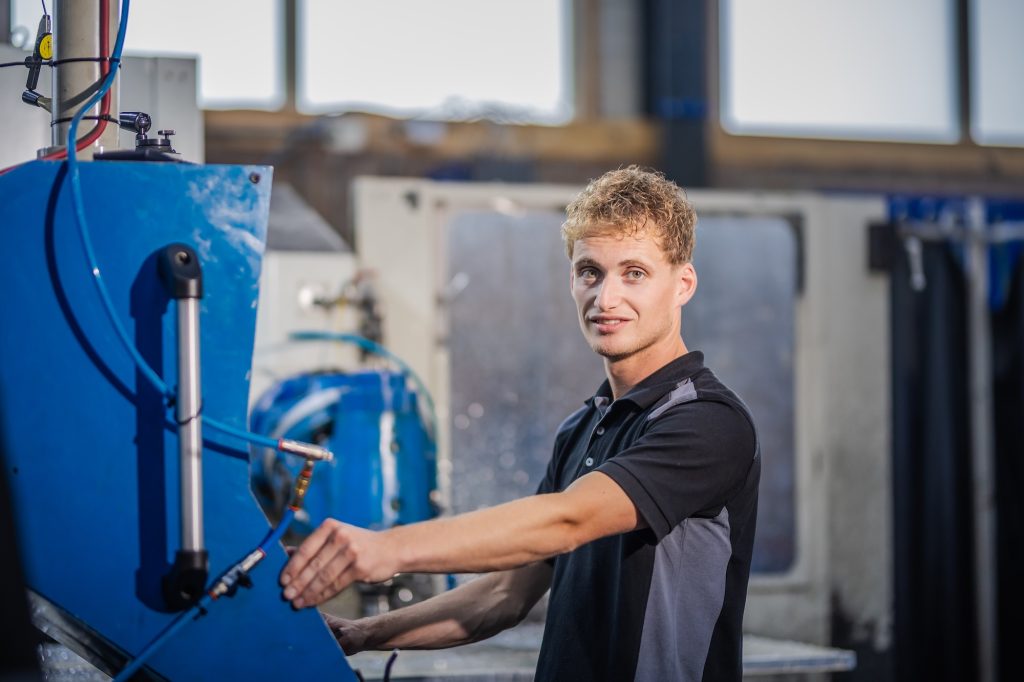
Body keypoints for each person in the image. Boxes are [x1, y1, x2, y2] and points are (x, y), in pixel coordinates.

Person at [280, 166, 761, 682]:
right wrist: (360, 635)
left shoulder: (708, 421)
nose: (606, 299)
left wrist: (388, 548)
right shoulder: (583, 428)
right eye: (590, 272)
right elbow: (504, 594)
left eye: (635, 273)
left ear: (683, 283)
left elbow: (567, 520)